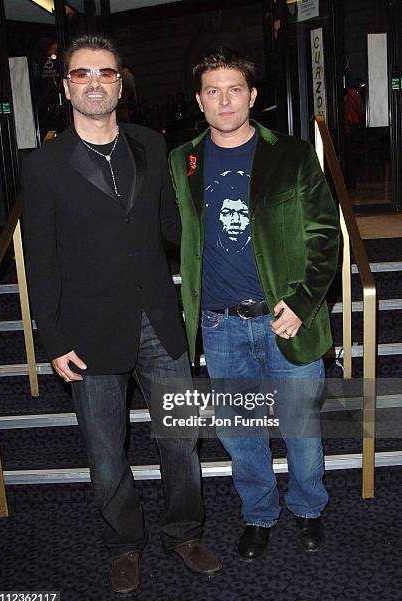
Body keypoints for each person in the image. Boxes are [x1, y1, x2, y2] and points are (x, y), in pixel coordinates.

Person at [22, 33, 222, 594]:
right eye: (82, 74)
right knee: (106, 451)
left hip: (159, 321)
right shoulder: (43, 166)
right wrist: (54, 336)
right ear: (66, 87)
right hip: (88, 332)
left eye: (104, 73)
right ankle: (122, 544)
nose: (94, 82)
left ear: (119, 82)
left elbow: (169, 227)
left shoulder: (149, 145)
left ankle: (184, 532)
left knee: (181, 438)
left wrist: (231, 252)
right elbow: (41, 261)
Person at [169, 48, 339, 562]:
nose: (225, 99)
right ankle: (258, 515)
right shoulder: (184, 161)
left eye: (235, 89)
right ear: (199, 101)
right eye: (213, 91)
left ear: (253, 97)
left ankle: (309, 509)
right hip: (218, 324)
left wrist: (303, 301)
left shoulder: (291, 154)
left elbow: (325, 234)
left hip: (284, 318)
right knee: (240, 434)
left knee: (301, 428)